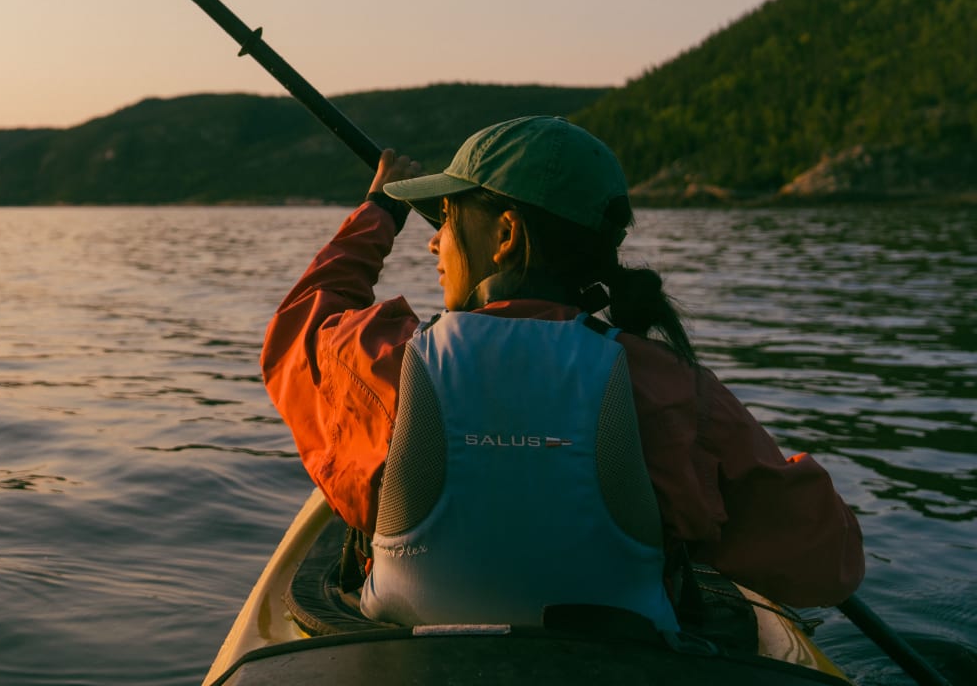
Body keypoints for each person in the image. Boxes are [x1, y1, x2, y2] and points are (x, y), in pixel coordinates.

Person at [261, 116, 864, 628]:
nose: (433, 243)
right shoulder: (673, 389)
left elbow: (297, 329)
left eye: (445, 219)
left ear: (505, 235)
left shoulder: (379, 363)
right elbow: (827, 562)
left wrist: (379, 211)